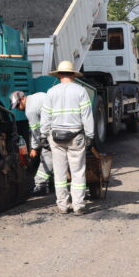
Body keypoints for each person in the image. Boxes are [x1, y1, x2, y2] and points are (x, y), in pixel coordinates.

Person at [40, 61, 95, 215]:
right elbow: (87, 115)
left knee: (59, 172)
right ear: (73, 75)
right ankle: (78, 206)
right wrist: (90, 135)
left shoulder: (51, 92)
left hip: (56, 137)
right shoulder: (80, 91)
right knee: (77, 172)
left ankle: (63, 206)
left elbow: (46, 116)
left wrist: (43, 135)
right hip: (75, 136)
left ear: (58, 75)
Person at [10, 90, 51, 195]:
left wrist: (34, 148)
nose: (18, 109)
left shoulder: (30, 110)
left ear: (22, 99)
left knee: (47, 156)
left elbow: (36, 131)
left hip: (54, 129)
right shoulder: (37, 95)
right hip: (61, 124)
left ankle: (40, 185)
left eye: (18, 105)